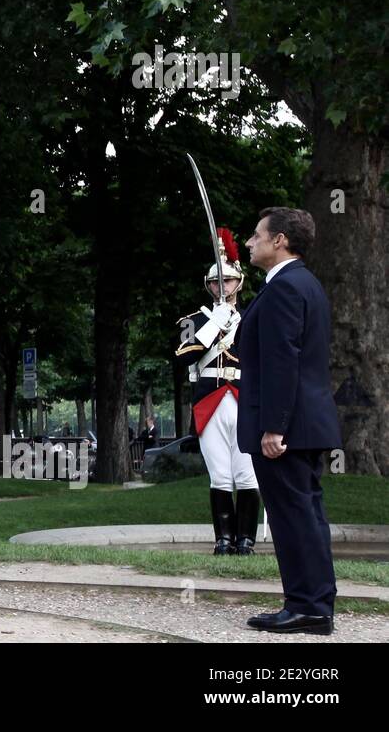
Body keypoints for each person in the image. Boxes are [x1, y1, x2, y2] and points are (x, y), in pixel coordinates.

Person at [239, 207, 342, 635]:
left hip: (288, 426)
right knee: (306, 513)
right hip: (307, 422)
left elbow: (284, 361)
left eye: (257, 235)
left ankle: (307, 605)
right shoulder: (306, 284)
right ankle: (314, 601)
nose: (249, 242)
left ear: (279, 240)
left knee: (293, 516)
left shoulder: (284, 288)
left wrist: (274, 426)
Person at [174, 227, 261, 555]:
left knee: (246, 472)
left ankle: (246, 540)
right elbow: (184, 355)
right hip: (209, 400)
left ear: (238, 282)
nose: (221, 287)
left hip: (243, 398)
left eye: (227, 281)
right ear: (208, 285)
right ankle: (223, 539)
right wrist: (215, 324)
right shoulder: (194, 320)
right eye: (215, 282)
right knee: (220, 475)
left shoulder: (253, 317)